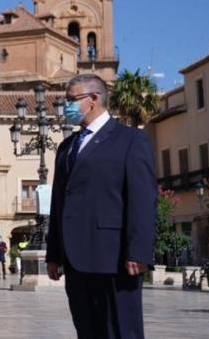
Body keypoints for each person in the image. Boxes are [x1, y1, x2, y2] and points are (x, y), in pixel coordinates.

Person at [46, 74, 157, 339]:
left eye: (72, 100)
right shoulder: (67, 146)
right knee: (87, 330)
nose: (67, 106)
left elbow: (142, 198)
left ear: (94, 99)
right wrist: (54, 253)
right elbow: (59, 201)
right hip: (75, 260)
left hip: (115, 258)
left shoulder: (130, 140)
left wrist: (139, 251)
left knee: (121, 330)